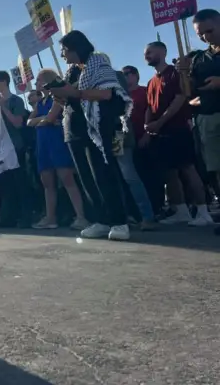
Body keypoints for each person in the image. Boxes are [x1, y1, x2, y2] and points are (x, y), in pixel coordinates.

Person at [51, 30, 132, 241]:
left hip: (97, 129)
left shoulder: (99, 65)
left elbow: (106, 93)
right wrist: (59, 93)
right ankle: (101, 220)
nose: (62, 55)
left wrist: (74, 93)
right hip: (74, 130)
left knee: (104, 174)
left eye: (65, 50)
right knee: (86, 178)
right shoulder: (71, 72)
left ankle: (120, 221)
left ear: (76, 48)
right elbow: (69, 97)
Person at [144, 41, 213, 226]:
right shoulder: (151, 82)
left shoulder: (176, 73)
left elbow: (180, 98)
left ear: (163, 51)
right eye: (145, 53)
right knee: (169, 173)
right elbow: (150, 106)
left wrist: (160, 121)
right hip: (161, 133)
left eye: (150, 51)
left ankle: (203, 211)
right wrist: (148, 123)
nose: (147, 55)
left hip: (177, 128)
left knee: (187, 168)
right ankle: (181, 210)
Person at [28, 69, 89, 230]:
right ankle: (50, 217)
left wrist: (42, 120)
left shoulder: (57, 97)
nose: (36, 84)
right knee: (47, 182)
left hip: (57, 140)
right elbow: (29, 122)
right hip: (43, 143)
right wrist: (43, 120)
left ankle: (81, 216)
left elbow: (51, 117)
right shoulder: (39, 103)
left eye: (39, 81)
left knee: (67, 179)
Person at [183, 9, 220, 234]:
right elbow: (189, 92)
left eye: (210, 31)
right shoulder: (199, 58)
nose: (206, 37)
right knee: (216, 168)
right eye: (200, 34)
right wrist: (184, 74)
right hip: (207, 118)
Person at [0, 71, 32, 228]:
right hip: (2, 150)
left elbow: (17, 123)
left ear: (4, 82)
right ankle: (9, 216)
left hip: (16, 147)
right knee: (5, 185)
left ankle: (26, 216)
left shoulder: (16, 101)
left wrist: (3, 108)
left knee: (20, 182)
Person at [122, 65, 164, 218]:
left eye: (127, 74)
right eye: (122, 74)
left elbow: (153, 112)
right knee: (132, 176)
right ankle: (136, 212)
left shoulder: (144, 92)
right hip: (127, 142)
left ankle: (156, 209)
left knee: (149, 176)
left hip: (144, 137)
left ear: (135, 75)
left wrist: (147, 134)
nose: (125, 77)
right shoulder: (121, 95)